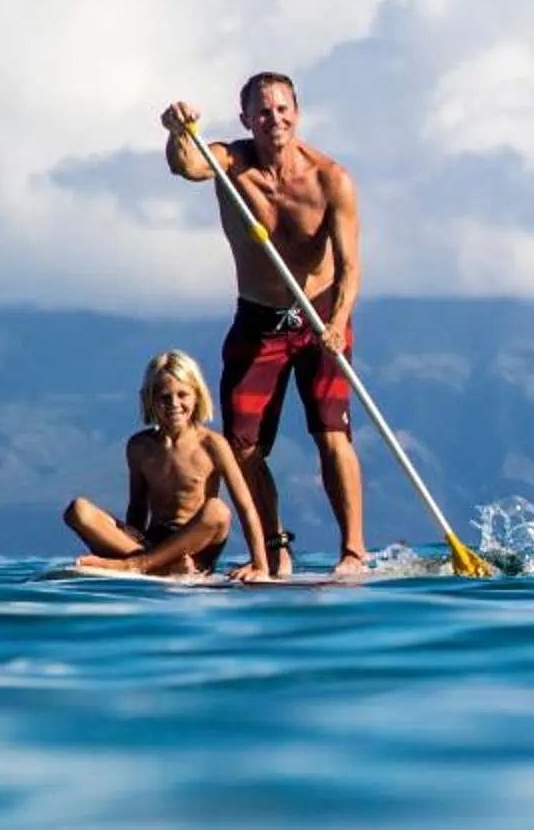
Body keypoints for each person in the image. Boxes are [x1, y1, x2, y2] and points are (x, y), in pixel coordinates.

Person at [161, 73, 367, 576]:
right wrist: (178, 131)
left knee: (331, 435)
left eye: (282, 109)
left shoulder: (330, 179)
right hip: (259, 319)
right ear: (246, 119)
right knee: (243, 448)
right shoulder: (230, 162)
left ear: (297, 112)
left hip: (321, 315)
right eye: (262, 111)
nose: (273, 119)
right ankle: (274, 548)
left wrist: (336, 323)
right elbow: (187, 165)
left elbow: (349, 268)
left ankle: (353, 552)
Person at [64, 349, 268, 579]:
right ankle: (153, 564)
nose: (174, 404)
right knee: (77, 510)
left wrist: (260, 565)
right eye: (164, 397)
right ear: (150, 400)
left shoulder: (212, 444)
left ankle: (140, 564)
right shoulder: (139, 446)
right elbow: (138, 507)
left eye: (182, 395)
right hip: (153, 541)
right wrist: (125, 545)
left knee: (218, 510)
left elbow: (245, 507)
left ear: (197, 395)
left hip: (196, 546)